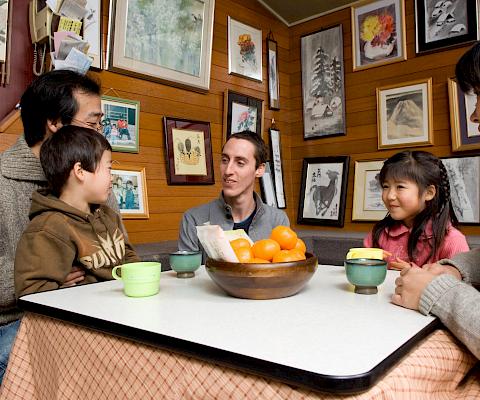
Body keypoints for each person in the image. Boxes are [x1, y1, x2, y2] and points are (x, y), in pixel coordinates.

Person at [0, 69, 122, 384]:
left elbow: (117, 251)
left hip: (92, 309)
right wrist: (44, 276)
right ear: (54, 123)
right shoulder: (2, 181)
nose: (100, 133)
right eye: (92, 123)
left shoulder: (97, 182)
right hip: (15, 320)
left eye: (100, 123)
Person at [392, 42, 480, 359]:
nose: (475, 115)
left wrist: (433, 291)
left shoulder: (451, 236)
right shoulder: (379, 232)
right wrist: (455, 269)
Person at [14, 126, 140, 297]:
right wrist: (60, 289)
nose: (112, 177)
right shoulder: (49, 228)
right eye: (109, 168)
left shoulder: (109, 216)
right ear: (80, 171)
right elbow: (30, 291)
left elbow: (128, 255)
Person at [178, 131, 289, 255]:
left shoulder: (278, 220)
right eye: (225, 160)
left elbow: (285, 268)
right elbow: (188, 272)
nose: (228, 170)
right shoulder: (193, 219)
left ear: (259, 169)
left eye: (240, 163)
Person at [364, 150, 469, 269]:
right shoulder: (379, 233)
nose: (389, 196)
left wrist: (416, 274)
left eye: (400, 187)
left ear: (429, 193)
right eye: (386, 186)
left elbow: (459, 285)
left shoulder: (452, 240)